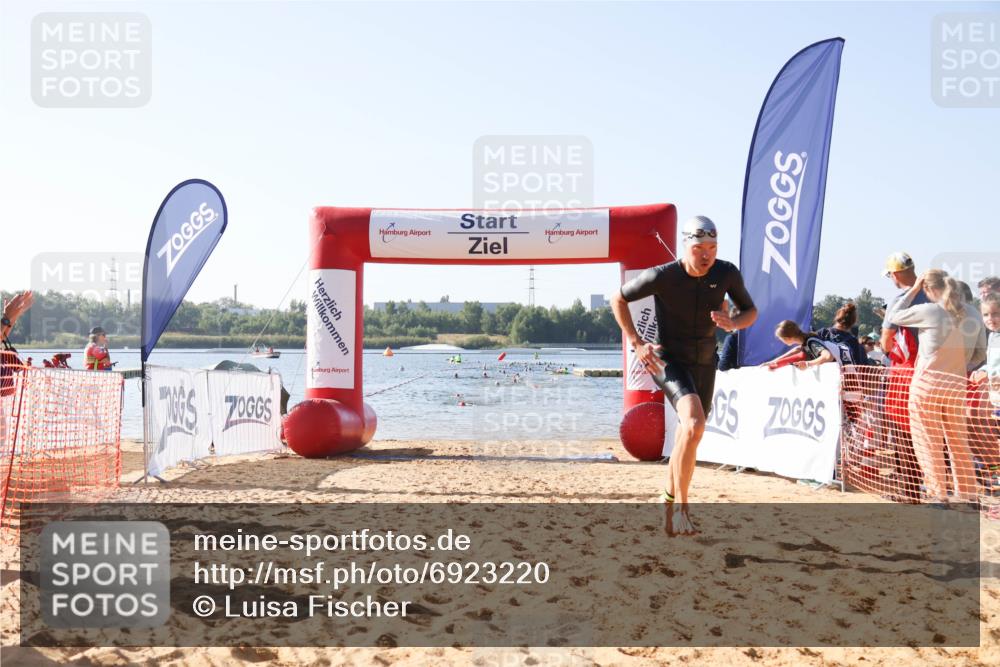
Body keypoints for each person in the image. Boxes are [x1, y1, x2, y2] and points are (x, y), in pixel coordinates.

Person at [611, 215, 757, 535]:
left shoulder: (726, 272)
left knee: (688, 436)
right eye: (700, 247)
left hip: (705, 362)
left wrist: (735, 323)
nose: (707, 255)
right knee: (693, 424)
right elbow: (617, 299)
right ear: (686, 245)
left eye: (713, 248)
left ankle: (667, 502)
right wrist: (636, 343)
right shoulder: (663, 276)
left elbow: (750, 311)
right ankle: (682, 509)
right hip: (669, 360)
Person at [886, 270, 977, 503]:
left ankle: (939, 495)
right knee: (959, 442)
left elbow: (893, 316)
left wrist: (913, 289)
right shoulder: (974, 314)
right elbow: (979, 355)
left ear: (928, 289)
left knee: (929, 441)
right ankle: (965, 495)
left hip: (927, 385)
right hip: (957, 385)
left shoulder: (930, 310)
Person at [770, 320, 838, 369]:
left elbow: (828, 356)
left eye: (780, 339)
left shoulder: (811, 342)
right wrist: (774, 361)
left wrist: (808, 364)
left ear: (787, 338)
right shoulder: (805, 343)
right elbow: (796, 350)